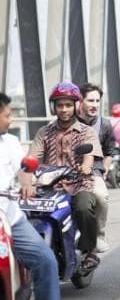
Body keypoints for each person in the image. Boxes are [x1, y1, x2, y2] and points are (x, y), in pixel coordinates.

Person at [29, 81, 104, 272]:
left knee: (83, 206)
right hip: (49, 186)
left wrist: (85, 167)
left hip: (79, 183)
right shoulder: (44, 132)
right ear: (53, 107)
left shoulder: (87, 132)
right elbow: (32, 158)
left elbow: (89, 157)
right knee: (27, 209)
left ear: (76, 106)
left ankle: (91, 251)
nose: (64, 109)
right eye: (60, 105)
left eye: (68, 105)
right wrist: (27, 169)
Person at [0, 93, 60, 300]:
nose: (11, 120)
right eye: (7, 115)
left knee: (46, 261)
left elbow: (25, 169)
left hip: (10, 219)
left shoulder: (11, 142)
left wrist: (27, 184)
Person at [77, 82, 115, 253]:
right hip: (67, 169)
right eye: (90, 100)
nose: (95, 105)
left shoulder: (104, 125)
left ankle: (99, 235)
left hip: (94, 170)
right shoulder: (68, 120)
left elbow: (109, 152)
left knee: (101, 196)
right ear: (80, 101)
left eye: (97, 101)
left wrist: (104, 171)